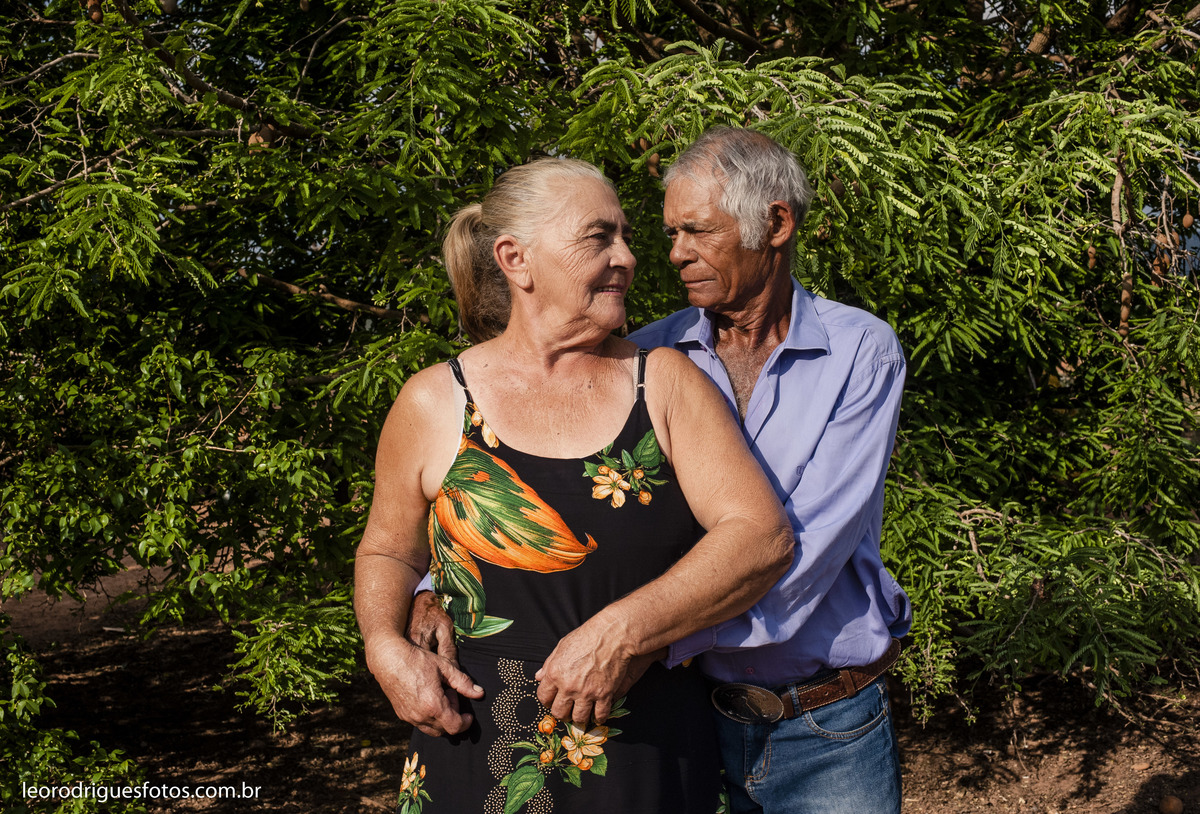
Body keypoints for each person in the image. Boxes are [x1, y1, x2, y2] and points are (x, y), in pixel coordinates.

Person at [410, 128, 913, 814]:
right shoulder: (647, 358)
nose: (672, 254)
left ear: (776, 223)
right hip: (683, 720)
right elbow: (566, 484)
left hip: (820, 726)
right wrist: (439, 586)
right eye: (671, 232)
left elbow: (795, 559)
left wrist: (634, 639)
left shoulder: (859, 354)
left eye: (697, 231)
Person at [354, 156, 793, 814]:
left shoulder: (665, 383)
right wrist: (384, 646)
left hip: (644, 762)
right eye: (598, 237)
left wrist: (621, 633)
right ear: (515, 258)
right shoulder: (433, 402)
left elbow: (761, 538)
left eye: (625, 237)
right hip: (474, 758)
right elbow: (389, 550)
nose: (629, 258)